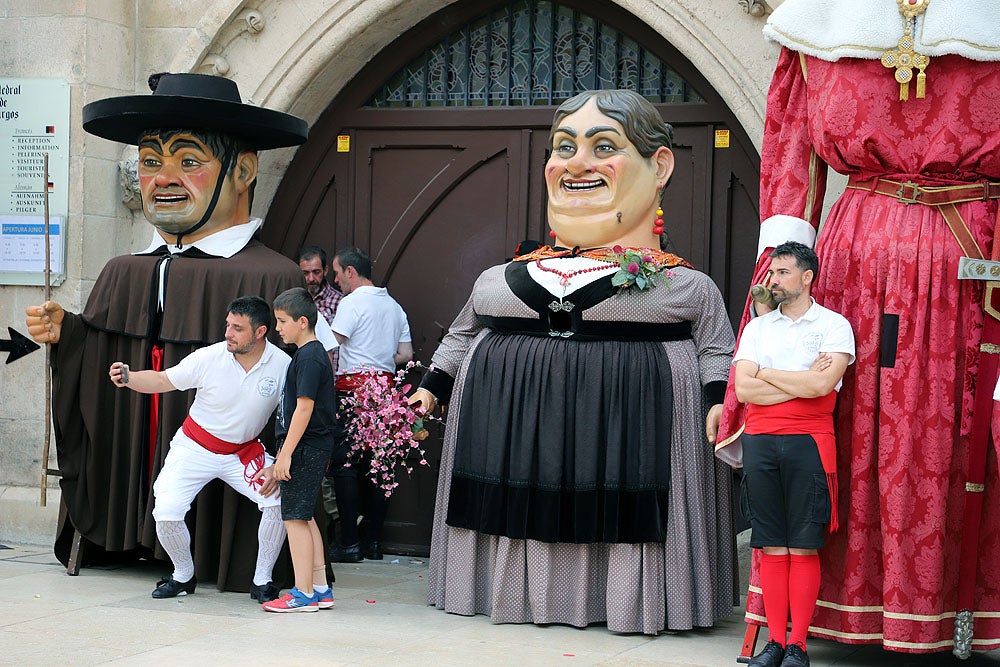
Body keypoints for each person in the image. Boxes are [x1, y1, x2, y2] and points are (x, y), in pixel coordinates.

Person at [714, 0, 1000, 655]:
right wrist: (773, 295)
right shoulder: (817, 22)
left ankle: (948, 618)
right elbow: (791, 187)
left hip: (976, 272)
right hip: (851, 271)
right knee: (837, 428)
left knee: (952, 435)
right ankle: (815, 617)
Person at [408, 89, 738, 634]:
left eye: (603, 145)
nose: (575, 163)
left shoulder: (686, 287)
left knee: (624, 506)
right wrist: (431, 389)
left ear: (659, 166)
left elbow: (714, 347)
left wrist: (716, 399)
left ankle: (637, 601)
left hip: (633, 427)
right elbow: (463, 332)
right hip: (511, 427)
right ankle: (511, 592)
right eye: (563, 147)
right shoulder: (500, 278)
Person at [23, 73, 312, 591]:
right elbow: (101, 352)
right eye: (151, 162)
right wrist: (70, 334)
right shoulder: (123, 270)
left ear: (243, 171)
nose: (163, 178)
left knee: (263, 502)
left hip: (236, 446)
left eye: (189, 161)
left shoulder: (272, 275)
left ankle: (251, 568)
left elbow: (300, 372)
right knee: (167, 502)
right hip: (172, 439)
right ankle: (143, 546)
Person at [107, 296, 290, 602]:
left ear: (260, 332)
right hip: (195, 447)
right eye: (227, 325)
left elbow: (297, 414)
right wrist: (129, 378)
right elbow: (163, 379)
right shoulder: (208, 357)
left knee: (279, 503)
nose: (228, 333)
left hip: (244, 453)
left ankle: (262, 582)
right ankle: (182, 575)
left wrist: (281, 461)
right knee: (165, 511)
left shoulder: (284, 365)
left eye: (237, 328)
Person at [733, 243, 855, 667]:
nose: (773, 281)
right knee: (771, 547)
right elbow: (745, 390)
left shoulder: (835, 326)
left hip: (809, 443)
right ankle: (775, 643)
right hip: (761, 443)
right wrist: (798, 379)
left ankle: (798, 645)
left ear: (807, 277)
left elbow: (822, 390)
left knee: (803, 548)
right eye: (772, 273)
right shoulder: (757, 329)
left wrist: (767, 375)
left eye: (783, 273)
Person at [326, 247, 413, 563]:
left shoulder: (351, 303)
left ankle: (349, 542)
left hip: (352, 390)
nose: (336, 281)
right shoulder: (394, 307)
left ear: (350, 271)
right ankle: (373, 543)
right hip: (386, 392)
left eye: (337, 274)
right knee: (381, 467)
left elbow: (330, 344)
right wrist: (379, 360)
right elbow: (405, 354)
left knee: (346, 466)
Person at [258, 287, 337, 612]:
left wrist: (285, 454)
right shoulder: (311, 354)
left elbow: (304, 408)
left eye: (282, 321)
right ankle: (320, 588)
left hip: (304, 448)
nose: (278, 328)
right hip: (309, 447)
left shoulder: (309, 357)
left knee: (294, 519)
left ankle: (303, 594)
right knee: (305, 517)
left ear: (302, 322)